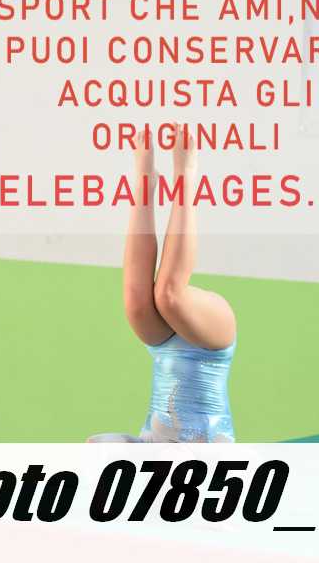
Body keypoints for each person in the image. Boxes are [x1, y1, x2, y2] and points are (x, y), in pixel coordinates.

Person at [88, 124, 237, 443]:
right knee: (169, 295)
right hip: (211, 349)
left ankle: (145, 181)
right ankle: (186, 173)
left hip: (165, 349)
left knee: (136, 303)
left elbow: (98, 443)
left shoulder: (146, 454)